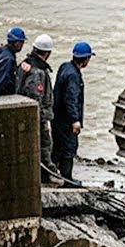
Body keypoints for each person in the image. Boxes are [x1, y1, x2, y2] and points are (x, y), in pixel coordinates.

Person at [51, 41, 92, 183]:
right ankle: (67, 179)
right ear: (86, 59)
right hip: (66, 119)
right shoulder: (74, 76)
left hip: (56, 115)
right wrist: (75, 120)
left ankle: (51, 174)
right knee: (69, 147)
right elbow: (71, 99)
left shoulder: (64, 67)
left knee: (57, 145)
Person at [16, 34, 54, 183]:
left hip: (25, 113)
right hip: (37, 116)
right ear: (47, 53)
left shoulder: (25, 64)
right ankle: (44, 176)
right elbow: (35, 98)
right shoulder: (37, 72)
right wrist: (41, 119)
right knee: (44, 146)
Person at [0, 27, 27, 96]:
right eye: (22, 42)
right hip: (0, 97)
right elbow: (4, 83)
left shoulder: (1, 50)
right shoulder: (8, 59)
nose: (22, 45)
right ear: (17, 43)